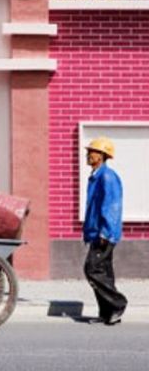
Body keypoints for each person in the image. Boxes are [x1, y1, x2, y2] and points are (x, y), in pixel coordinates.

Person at [82, 136, 127, 326]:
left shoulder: (107, 177)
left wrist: (105, 233)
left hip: (104, 233)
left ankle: (118, 304)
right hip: (97, 232)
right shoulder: (96, 176)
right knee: (105, 273)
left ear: (101, 156)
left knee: (91, 269)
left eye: (91, 151)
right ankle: (107, 314)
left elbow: (111, 206)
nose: (88, 155)